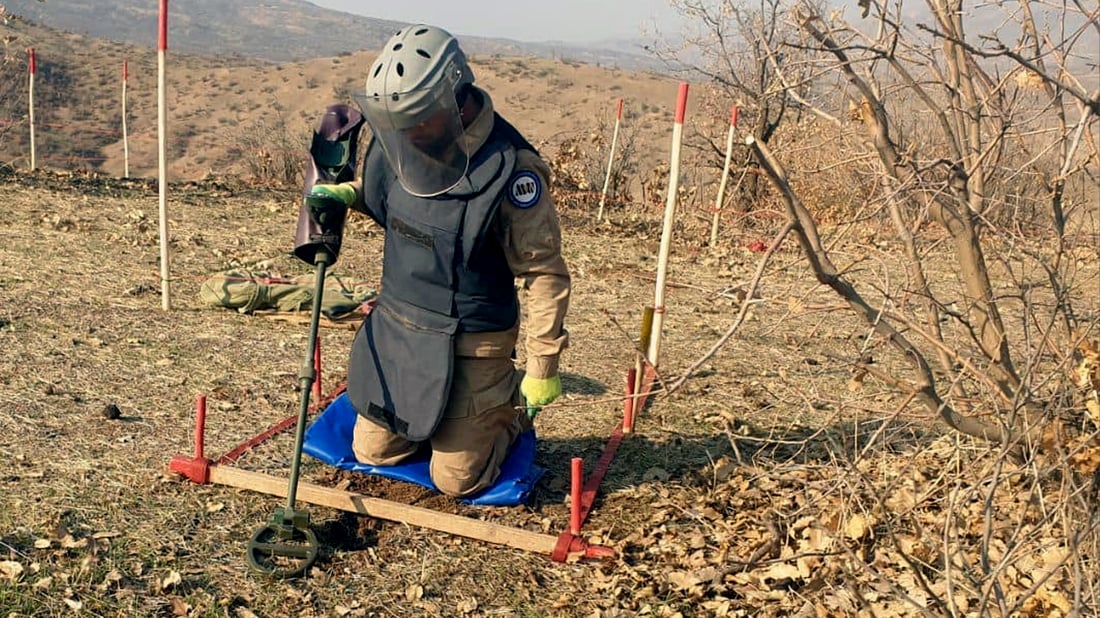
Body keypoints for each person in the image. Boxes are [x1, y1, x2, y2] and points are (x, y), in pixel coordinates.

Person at [306, 24, 570, 498]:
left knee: (458, 481)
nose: (405, 132)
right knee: (372, 452)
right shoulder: (408, 133)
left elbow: (543, 273)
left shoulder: (513, 170)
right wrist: (355, 195)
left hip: (473, 342)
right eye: (398, 122)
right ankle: (446, 424)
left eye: (417, 120)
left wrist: (542, 366)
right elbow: (405, 207)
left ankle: (501, 414)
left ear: (455, 100)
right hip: (402, 328)